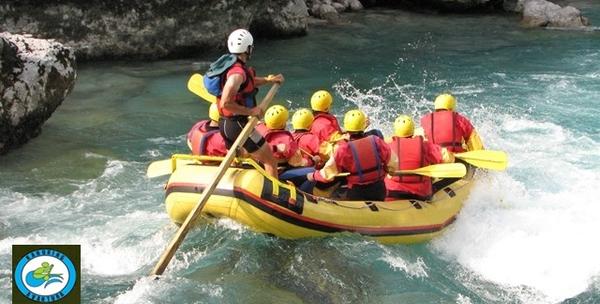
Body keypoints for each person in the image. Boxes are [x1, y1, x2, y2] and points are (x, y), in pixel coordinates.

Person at [216, 29, 284, 178]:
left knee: (240, 157)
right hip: (237, 125)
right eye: (251, 47)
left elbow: (249, 83)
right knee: (270, 161)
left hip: (224, 124)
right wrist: (251, 112)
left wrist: (268, 80)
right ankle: (274, 197)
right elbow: (226, 103)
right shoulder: (237, 73)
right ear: (247, 49)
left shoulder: (229, 65)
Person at [307, 110, 397, 201]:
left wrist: (313, 176)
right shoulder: (376, 141)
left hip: (357, 192)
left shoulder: (343, 149)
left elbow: (328, 174)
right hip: (378, 189)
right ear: (363, 125)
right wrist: (387, 171)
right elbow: (393, 163)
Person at [385, 115, 454, 201]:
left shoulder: (387, 147)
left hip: (392, 193)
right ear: (413, 130)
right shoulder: (425, 146)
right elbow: (448, 159)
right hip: (420, 194)